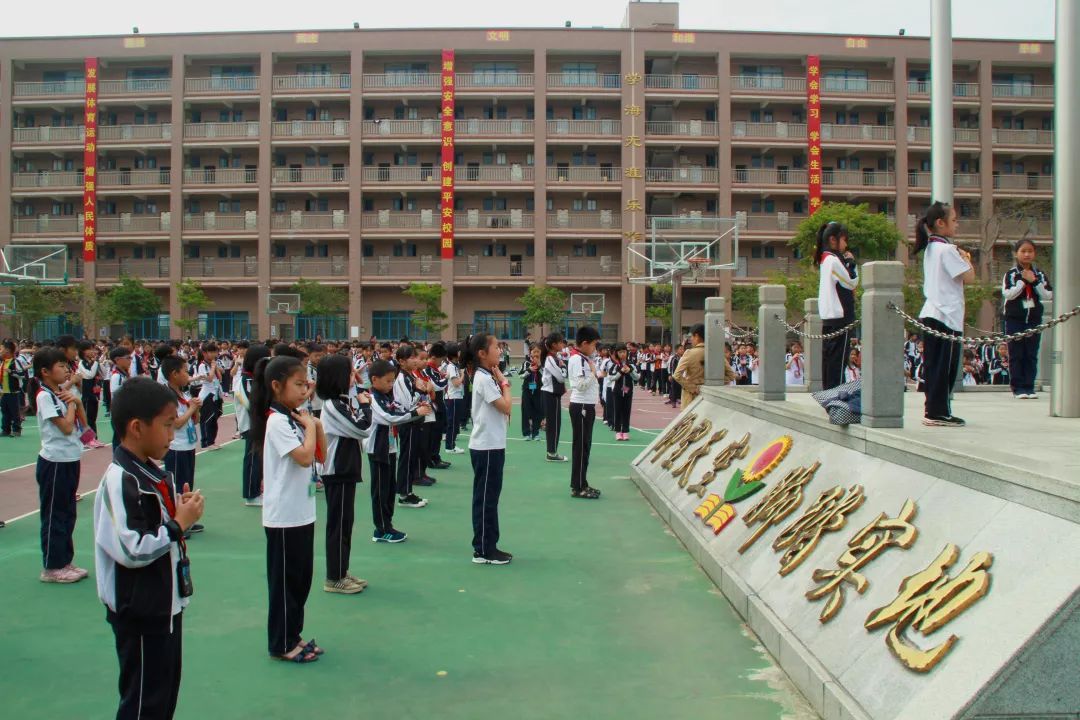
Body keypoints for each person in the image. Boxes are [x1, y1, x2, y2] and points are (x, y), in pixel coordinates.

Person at [94, 377, 205, 720]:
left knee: (163, 693)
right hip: (140, 611)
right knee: (143, 702)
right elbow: (132, 549)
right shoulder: (121, 480)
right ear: (137, 428)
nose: (173, 434)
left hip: (164, 605)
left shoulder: (151, 474)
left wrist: (178, 510)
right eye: (168, 425)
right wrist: (177, 524)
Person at [249, 355, 327, 664]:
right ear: (277, 386)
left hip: (302, 511)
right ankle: (281, 642)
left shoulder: (294, 417)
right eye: (298, 384)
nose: (305, 389)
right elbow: (304, 457)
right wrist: (309, 426)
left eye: (307, 383)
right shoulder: (276, 420)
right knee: (284, 583)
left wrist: (315, 424)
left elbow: (321, 455)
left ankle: (293, 634)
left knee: (300, 579)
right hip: (283, 516)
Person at [315, 354, 372, 595]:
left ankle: (341, 570)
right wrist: (367, 405)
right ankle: (333, 577)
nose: (354, 377)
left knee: (345, 523)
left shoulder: (341, 401)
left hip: (345, 470)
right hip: (336, 471)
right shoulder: (332, 405)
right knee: (338, 525)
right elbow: (363, 428)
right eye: (350, 373)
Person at [915, 201, 975, 426]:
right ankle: (938, 412)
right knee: (943, 366)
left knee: (935, 365)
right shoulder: (946, 249)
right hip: (945, 315)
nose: (957, 224)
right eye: (954, 220)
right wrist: (967, 259)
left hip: (933, 312)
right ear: (940, 223)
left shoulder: (931, 248)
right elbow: (968, 278)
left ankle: (933, 409)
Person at [33, 347, 88, 583]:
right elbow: (65, 427)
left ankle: (65, 560)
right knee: (54, 514)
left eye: (67, 365)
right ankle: (52, 566)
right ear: (45, 371)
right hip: (54, 461)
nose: (67, 369)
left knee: (67, 513)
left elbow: (83, 426)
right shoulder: (45, 395)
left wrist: (77, 401)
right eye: (61, 366)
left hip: (70, 458)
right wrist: (73, 403)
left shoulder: (61, 393)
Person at [365, 359, 431, 543]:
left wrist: (417, 405)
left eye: (393, 380)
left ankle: (388, 525)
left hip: (390, 447)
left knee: (388, 489)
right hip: (377, 450)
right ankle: (381, 529)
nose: (391, 384)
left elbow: (400, 409)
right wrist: (416, 413)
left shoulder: (386, 396)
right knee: (380, 491)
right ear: (374, 380)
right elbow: (389, 417)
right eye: (387, 381)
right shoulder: (373, 398)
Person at [464, 333, 514, 564]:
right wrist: (505, 383)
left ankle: (489, 544)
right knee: (485, 499)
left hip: (493, 444)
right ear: (482, 354)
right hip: (486, 446)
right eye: (495, 347)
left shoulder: (486, 375)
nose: (499, 351)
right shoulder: (484, 378)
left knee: (490, 497)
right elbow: (505, 406)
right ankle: (483, 549)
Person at [1001, 238, 1053, 399]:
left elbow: (1048, 294)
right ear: (1016, 254)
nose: (1027, 254)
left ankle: (1029, 387)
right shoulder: (1011, 274)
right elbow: (1008, 293)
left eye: (1030, 251)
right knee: (1016, 353)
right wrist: (1023, 281)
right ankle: (1018, 388)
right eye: (1023, 251)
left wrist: (1034, 281)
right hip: (1014, 319)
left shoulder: (1040, 274)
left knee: (1031, 353)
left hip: (1033, 319)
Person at [814, 221, 859, 391]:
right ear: (833, 240)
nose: (846, 244)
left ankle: (830, 397)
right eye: (844, 240)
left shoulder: (825, 259)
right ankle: (835, 399)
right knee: (837, 363)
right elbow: (851, 281)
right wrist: (852, 264)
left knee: (829, 361)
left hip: (829, 317)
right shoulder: (833, 260)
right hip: (839, 317)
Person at [161, 357, 204, 535]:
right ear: (174, 374)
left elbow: (194, 419)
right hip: (176, 446)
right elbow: (176, 423)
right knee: (177, 487)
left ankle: (187, 520)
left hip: (187, 444)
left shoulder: (182, 393)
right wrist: (192, 409)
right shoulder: (167, 396)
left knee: (187, 484)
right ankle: (178, 523)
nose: (189, 375)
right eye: (185, 371)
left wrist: (196, 409)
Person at [567, 326, 602, 499]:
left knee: (585, 446)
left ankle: (582, 482)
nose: (595, 349)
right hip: (581, 406)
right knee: (581, 447)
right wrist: (593, 374)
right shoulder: (577, 360)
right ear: (585, 343)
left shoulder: (584, 358)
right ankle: (578, 486)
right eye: (594, 345)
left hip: (587, 406)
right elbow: (579, 385)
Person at [237, 345, 271, 506]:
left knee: (260, 458)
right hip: (251, 425)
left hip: (259, 424)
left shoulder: (256, 378)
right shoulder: (245, 379)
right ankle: (251, 494)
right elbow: (250, 403)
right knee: (252, 459)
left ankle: (258, 489)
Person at [540, 332, 568, 462]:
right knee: (554, 424)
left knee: (555, 423)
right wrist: (563, 366)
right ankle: (551, 453)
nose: (563, 344)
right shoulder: (550, 359)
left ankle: (552, 451)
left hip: (553, 394)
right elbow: (561, 377)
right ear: (554, 344)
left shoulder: (554, 357)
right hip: (550, 394)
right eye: (561, 341)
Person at [673, 324, 707, 406]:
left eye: (691, 336)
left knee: (690, 418)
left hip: (691, 395)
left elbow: (677, 375)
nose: (691, 339)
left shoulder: (689, 353)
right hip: (709, 395)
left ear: (696, 336)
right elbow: (730, 375)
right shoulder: (715, 353)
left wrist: (693, 388)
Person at [610, 343, 638, 441]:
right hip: (617, 391)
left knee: (627, 411)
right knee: (617, 411)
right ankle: (618, 432)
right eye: (620, 352)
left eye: (624, 352)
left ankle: (625, 431)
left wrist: (630, 371)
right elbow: (611, 377)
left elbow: (637, 377)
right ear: (617, 353)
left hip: (628, 391)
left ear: (627, 353)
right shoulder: (615, 365)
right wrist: (621, 372)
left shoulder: (631, 365)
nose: (622, 354)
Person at [443, 343, 466, 454]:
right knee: (452, 423)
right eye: (458, 351)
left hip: (457, 396)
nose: (460, 353)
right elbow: (456, 383)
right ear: (454, 354)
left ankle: (452, 444)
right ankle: (449, 446)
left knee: (455, 422)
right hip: (453, 397)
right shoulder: (451, 367)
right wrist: (462, 375)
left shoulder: (455, 365)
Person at [108, 348, 132, 450]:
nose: (130, 360)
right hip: (120, 414)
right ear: (117, 360)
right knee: (119, 441)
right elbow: (117, 396)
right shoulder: (117, 377)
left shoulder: (124, 375)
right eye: (127, 358)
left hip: (125, 413)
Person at [520, 344, 544, 440]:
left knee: (538, 411)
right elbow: (520, 376)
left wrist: (539, 366)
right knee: (526, 411)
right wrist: (529, 370)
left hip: (539, 391)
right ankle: (526, 433)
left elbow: (546, 376)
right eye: (534, 351)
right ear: (530, 352)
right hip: (527, 390)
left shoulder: (543, 363)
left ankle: (536, 433)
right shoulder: (526, 363)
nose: (536, 353)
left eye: (538, 351)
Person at [0, 340, 24, 437]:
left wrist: (11, 372)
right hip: (3, 392)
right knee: (5, 412)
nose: (0, 351)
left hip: (13, 392)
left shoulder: (15, 362)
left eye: (2, 349)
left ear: (7, 350)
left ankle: (16, 430)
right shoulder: (2, 362)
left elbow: (22, 374)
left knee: (14, 412)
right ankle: (6, 430)